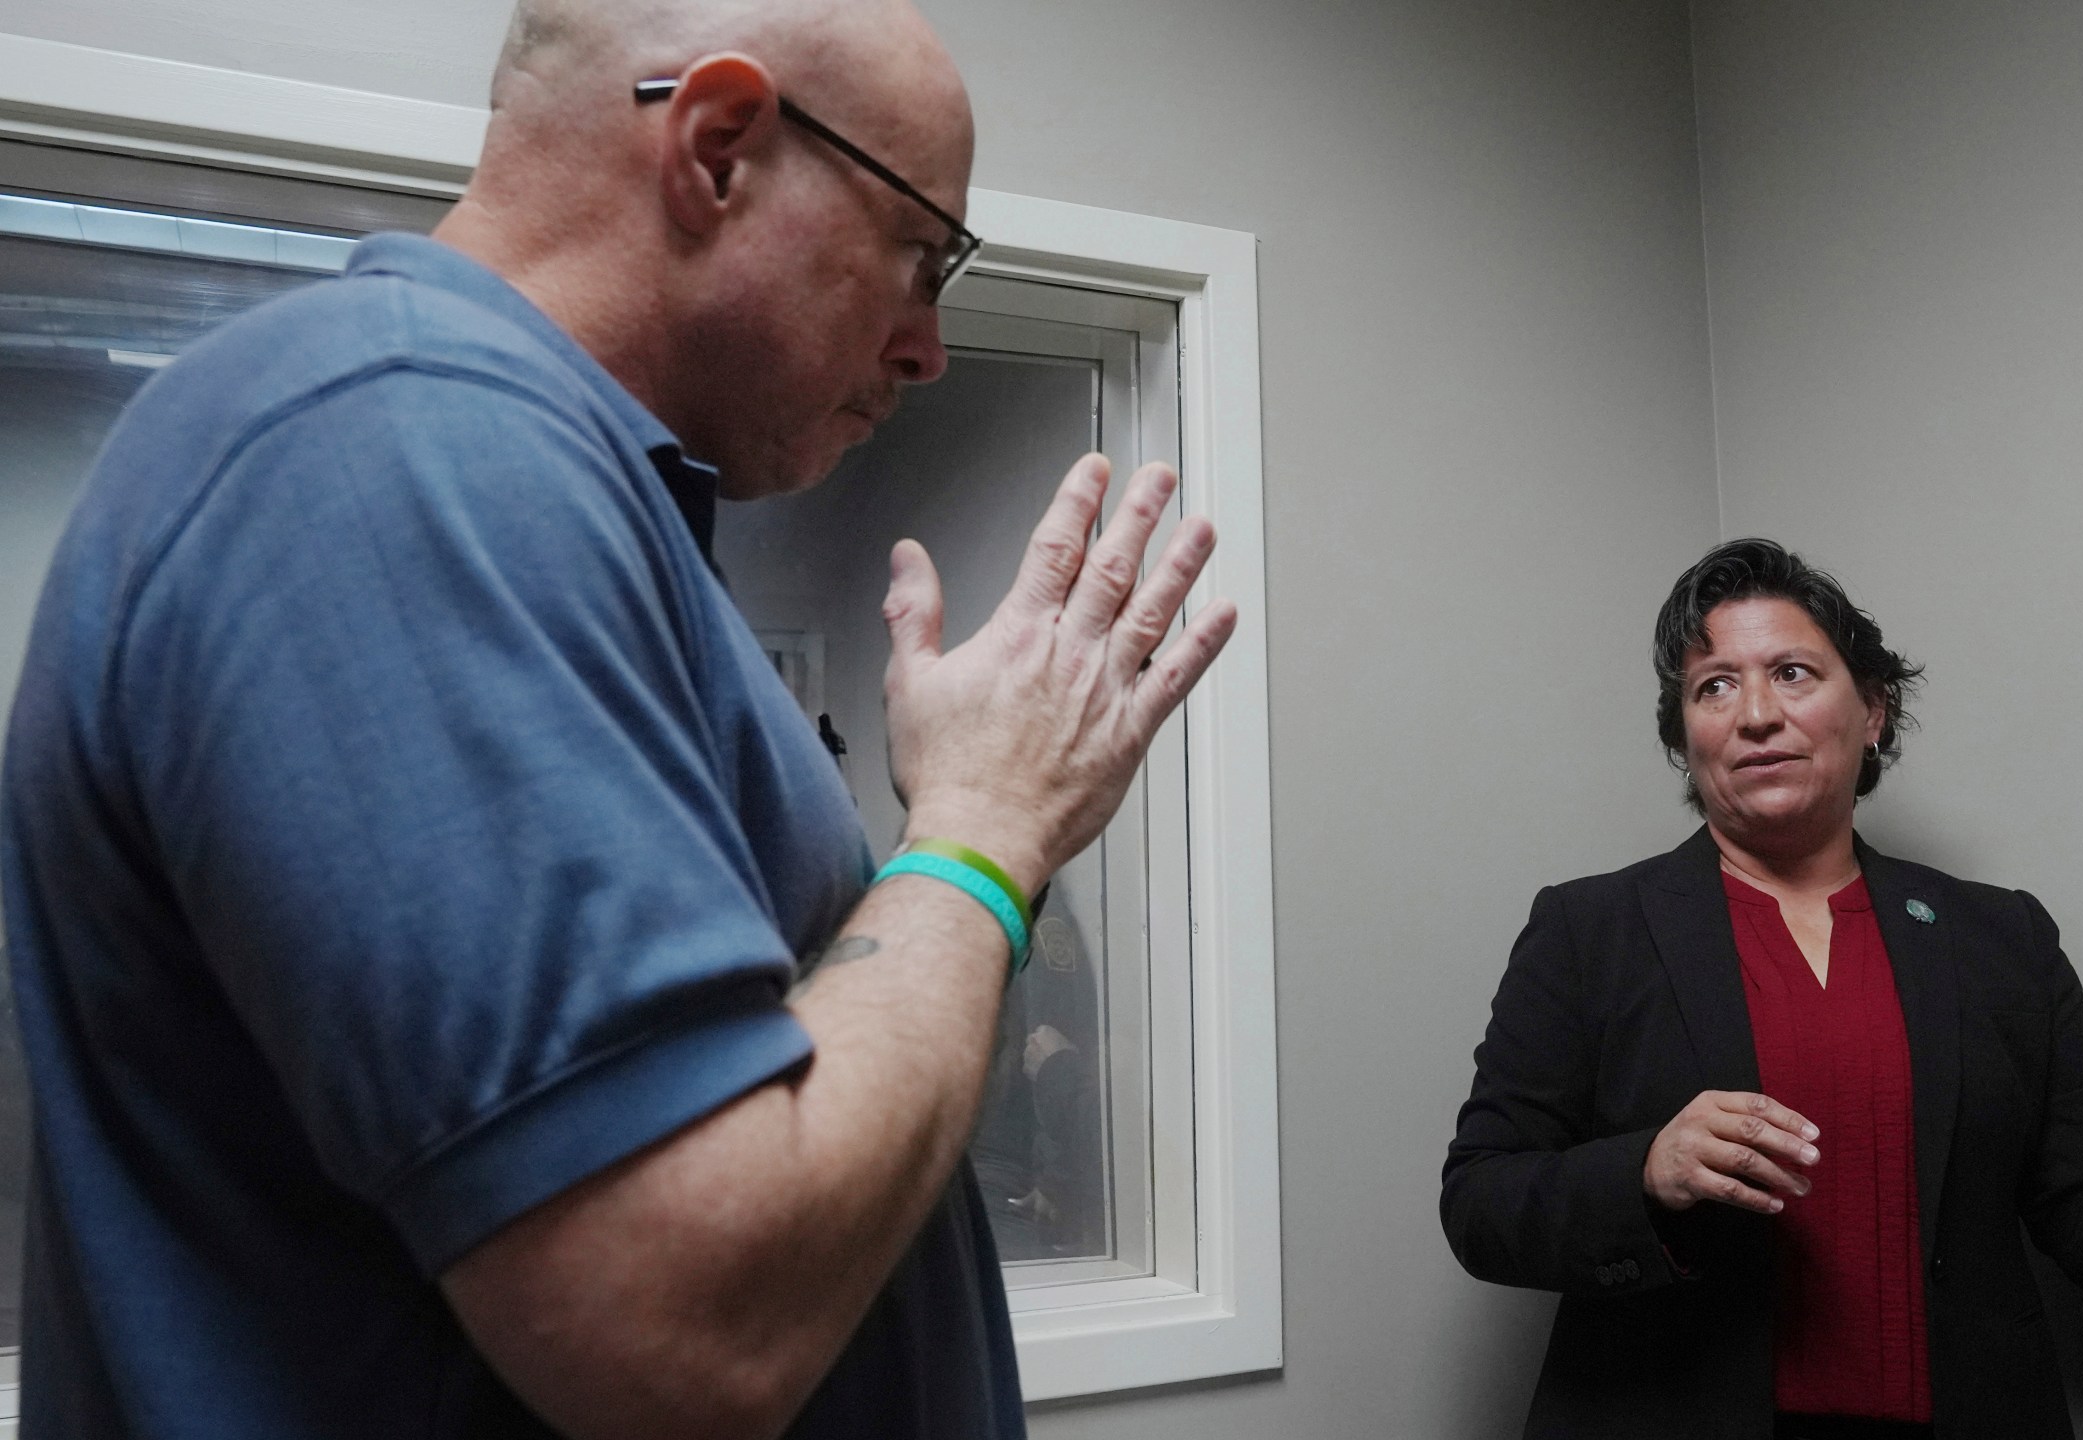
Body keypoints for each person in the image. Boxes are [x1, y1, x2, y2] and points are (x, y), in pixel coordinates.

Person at [0, 1, 1235, 1436]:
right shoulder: (397, 444)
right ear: (718, 149)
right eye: (919, 253)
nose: (928, 348)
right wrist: (983, 834)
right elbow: (685, 1320)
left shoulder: (564, 495)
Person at [1439, 539, 2083, 1440]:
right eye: (1712, 687)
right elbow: (1480, 1203)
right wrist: (1646, 1171)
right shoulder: (1588, 930)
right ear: (1685, 734)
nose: (1753, 714)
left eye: (1792, 672)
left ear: (1873, 710)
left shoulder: (1998, 937)